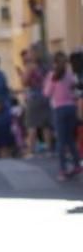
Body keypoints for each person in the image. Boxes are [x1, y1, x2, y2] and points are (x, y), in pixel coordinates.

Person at [43, 51, 81, 181]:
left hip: (59, 109)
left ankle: (62, 169)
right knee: (70, 138)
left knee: (60, 140)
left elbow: (47, 93)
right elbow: (75, 91)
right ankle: (77, 163)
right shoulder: (70, 75)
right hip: (71, 108)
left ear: (54, 62)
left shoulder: (52, 76)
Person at [17, 46, 52, 157]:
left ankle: (30, 151)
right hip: (46, 97)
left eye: (29, 52)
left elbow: (25, 82)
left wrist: (21, 75)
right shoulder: (46, 66)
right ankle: (49, 149)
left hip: (34, 97)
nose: (28, 55)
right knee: (46, 125)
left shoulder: (31, 66)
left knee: (32, 125)